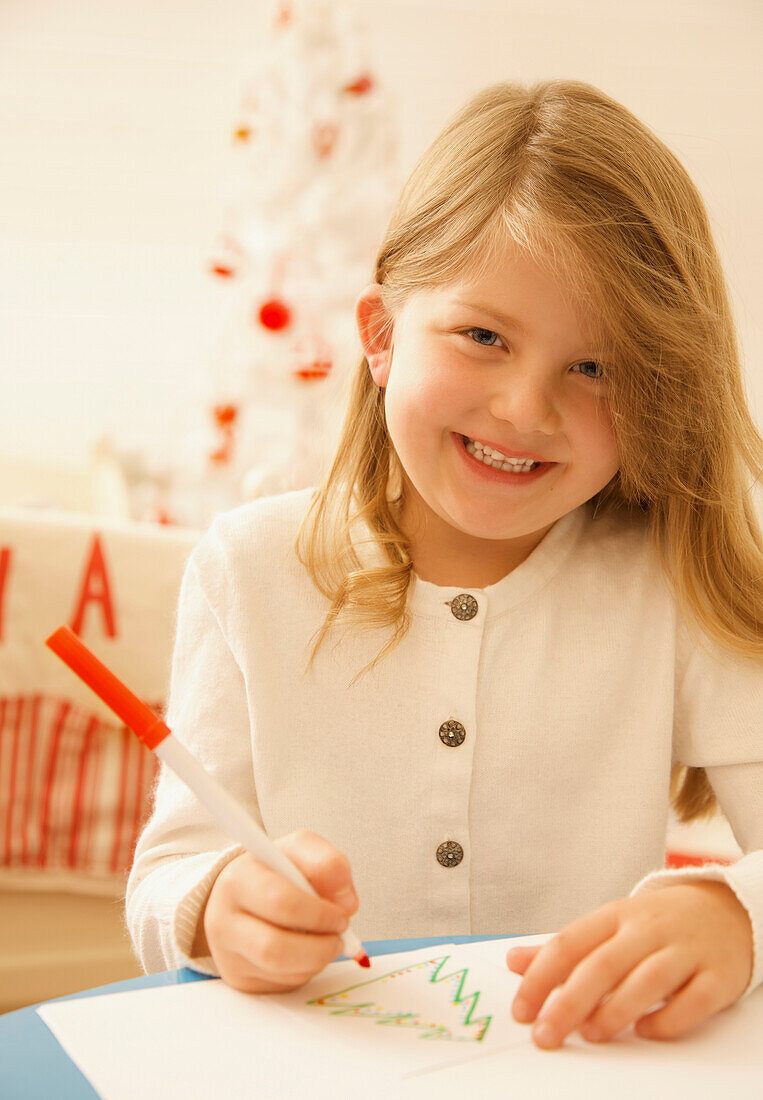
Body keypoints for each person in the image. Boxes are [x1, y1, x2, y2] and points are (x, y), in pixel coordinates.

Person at [126, 79, 763, 1051]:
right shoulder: (246, 567)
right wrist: (219, 904)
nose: (524, 409)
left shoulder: (664, 582)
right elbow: (168, 867)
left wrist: (734, 912)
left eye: (593, 367)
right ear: (380, 336)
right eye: (482, 337)